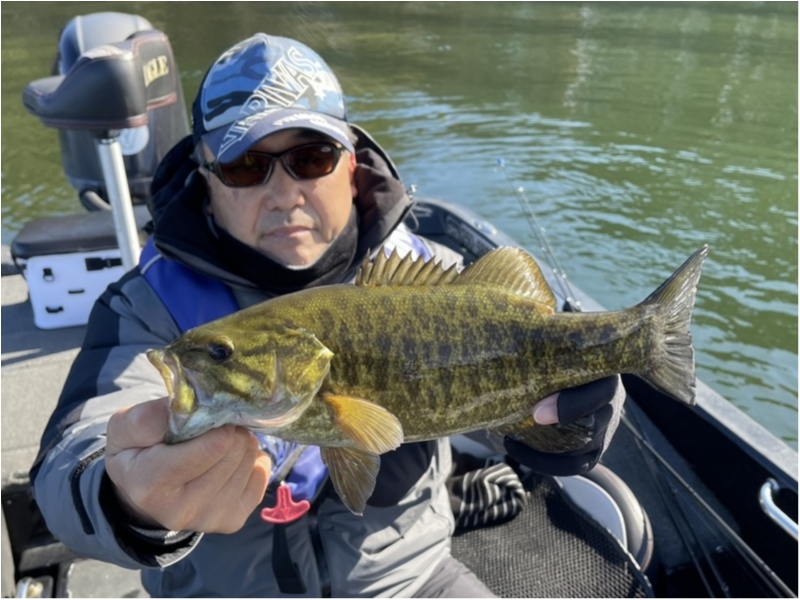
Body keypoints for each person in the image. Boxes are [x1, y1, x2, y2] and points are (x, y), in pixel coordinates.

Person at [31, 33, 625, 597]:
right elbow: (72, 459)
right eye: (246, 166)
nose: (283, 193)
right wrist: (124, 497)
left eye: (311, 158)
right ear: (206, 180)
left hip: (411, 579)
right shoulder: (147, 310)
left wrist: (575, 423)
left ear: (350, 163)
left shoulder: (441, 281)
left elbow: (503, 394)